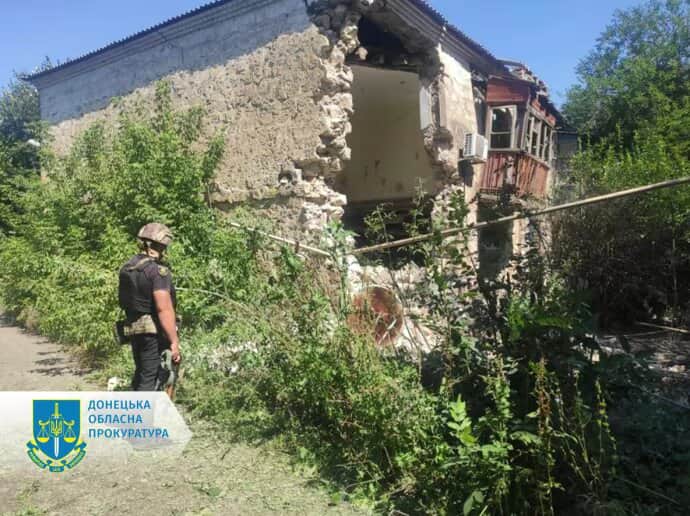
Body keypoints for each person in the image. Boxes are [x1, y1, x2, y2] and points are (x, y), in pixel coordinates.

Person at [118, 223, 181, 391]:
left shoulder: (128, 267)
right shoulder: (157, 271)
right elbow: (164, 309)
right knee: (151, 378)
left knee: (141, 373)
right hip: (153, 332)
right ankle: (144, 408)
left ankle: (135, 405)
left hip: (133, 328)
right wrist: (174, 341)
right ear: (159, 246)